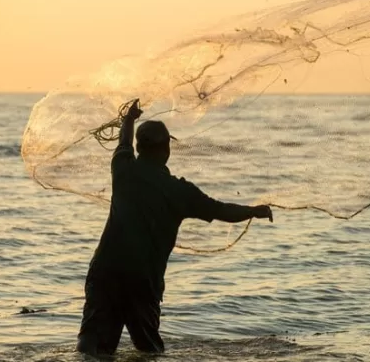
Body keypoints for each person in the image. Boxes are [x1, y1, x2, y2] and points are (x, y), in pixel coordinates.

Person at [76, 98, 273, 356]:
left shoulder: (122, 169)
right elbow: (220, 209)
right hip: (142, 281)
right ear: (166, 149)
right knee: (149, 351)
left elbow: (123, 141)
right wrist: (254, 211)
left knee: (91, 349)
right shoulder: (180, 192)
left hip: (105, 274)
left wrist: (129, 119)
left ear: (139, 148)